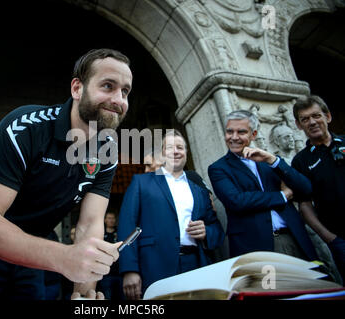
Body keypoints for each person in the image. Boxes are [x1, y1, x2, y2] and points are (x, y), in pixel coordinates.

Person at [0, 48, 133, 300]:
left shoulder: (108, 150)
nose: (119, 99)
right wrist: (64, 258)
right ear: (77, 89)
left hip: (32, 248)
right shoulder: (25, 126)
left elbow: (90, 223)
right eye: (108, 86)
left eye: (125, 91)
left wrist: (84, 292)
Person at [118, 130, 225, 300]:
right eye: (169, 147)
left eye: (180, 147)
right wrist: (130, 269)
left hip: (196, 265)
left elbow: (217, 228)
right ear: (162, 153)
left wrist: (207, 232)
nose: (176, 151)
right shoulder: (141, 182)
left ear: (186, 153)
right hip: (154, 266)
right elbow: (127, 225)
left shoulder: (198, 191)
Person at [208, 110, 317, 261]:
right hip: (256, 247)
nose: (234, 137)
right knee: (269, 286)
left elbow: (305, 189)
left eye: (241, 132)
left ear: (253, 135)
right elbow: (237, 201)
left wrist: (274, 161)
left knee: (312, 285)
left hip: (295, 239)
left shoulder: (270, 161)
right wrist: (281, 195)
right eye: (229, 132)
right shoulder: (218, 168)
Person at [291, 95, 345, 282]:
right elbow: (304, 205)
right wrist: (330, 238)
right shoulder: (300, 161)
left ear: (327, 117)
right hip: (340, 240)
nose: (312, 122)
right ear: (298, 125)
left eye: (316, 116)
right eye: (305, 119)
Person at [96, 212, 123, 300]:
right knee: (107, 296)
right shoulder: (101, 234)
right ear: (105, 220)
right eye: (109, 218)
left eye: (113, 218)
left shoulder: (120, 233)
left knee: (121, 297)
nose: (111, 220)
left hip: (120, 272)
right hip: (106, 273)